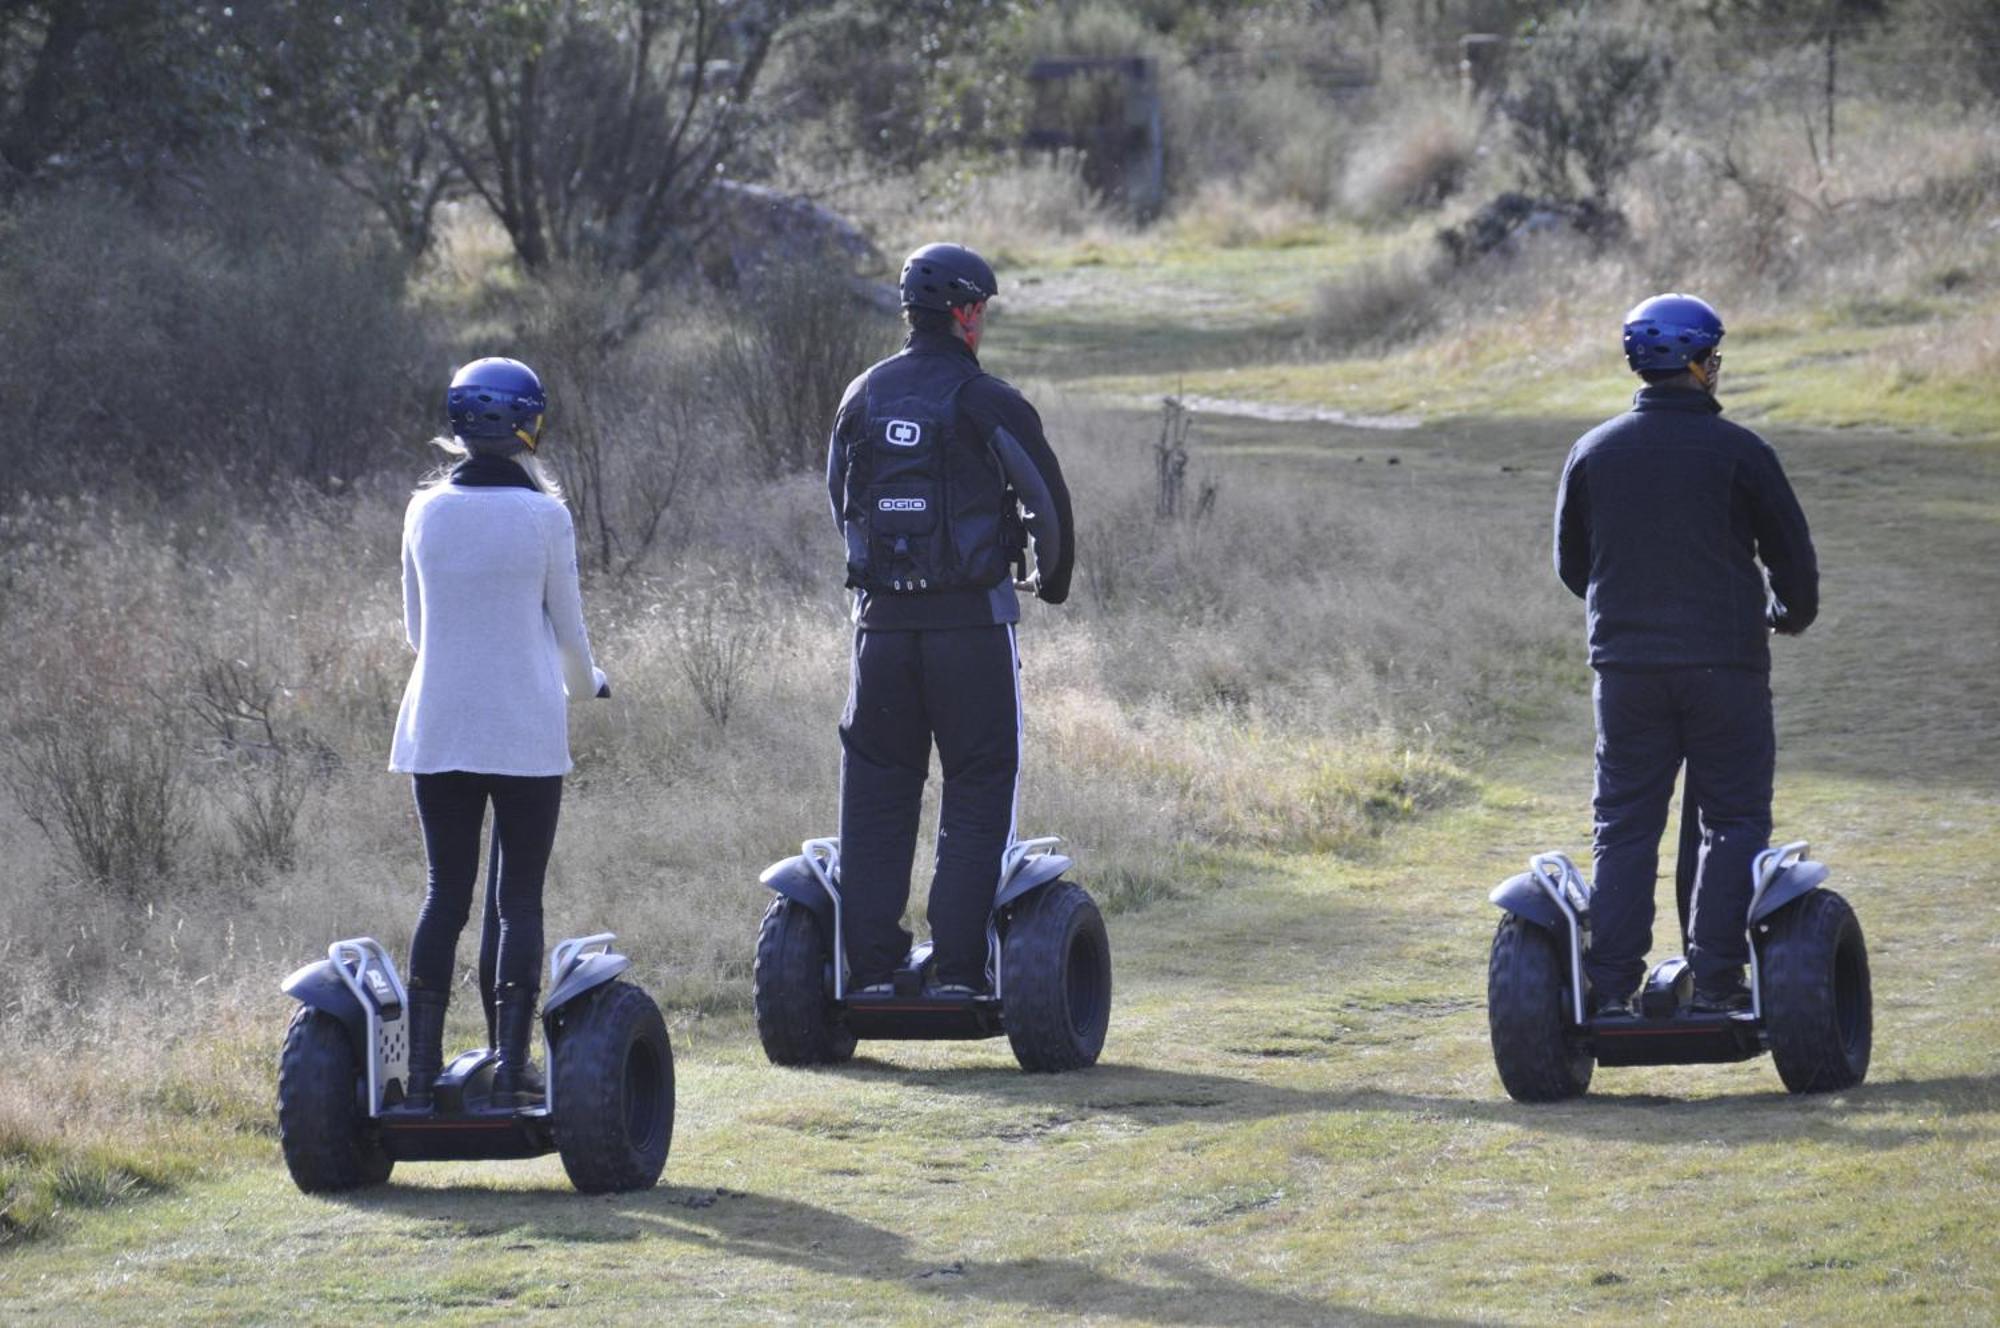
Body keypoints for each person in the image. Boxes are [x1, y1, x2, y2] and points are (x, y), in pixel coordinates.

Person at [1554, 294, 1819, 1017]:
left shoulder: (1593, 451)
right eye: (1714, 357)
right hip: (1724, 669)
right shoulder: (1740, 451)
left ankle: (1608, 989)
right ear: (1700, 365)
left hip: (1625, 672)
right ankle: (1718, 982)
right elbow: (1792, 560)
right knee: (1732, 821)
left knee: (1626, 825)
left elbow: (1575, 567)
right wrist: (1789, 615)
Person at [824, 242, 1075, 995]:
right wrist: (1050, 582)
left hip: (882, 634)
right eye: (983, 310)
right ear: (965, 313)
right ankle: (960, 973)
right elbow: (1049, 506)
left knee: (877, 791)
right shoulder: (989, 399)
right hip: (972, 629)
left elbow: (842, 502)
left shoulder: (861, 394)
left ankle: (868, 972)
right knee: (976, 786)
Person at [390, 357, 609, 1109]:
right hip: (522, 727)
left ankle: (418, 1076)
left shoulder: (424, 512)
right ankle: (510, 1068)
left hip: (438, 724)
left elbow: (417, 632)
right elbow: (570, 638)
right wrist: (588, 687)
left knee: (443, 893)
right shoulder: (545, 517)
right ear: (529, 426)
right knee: (518, 899)